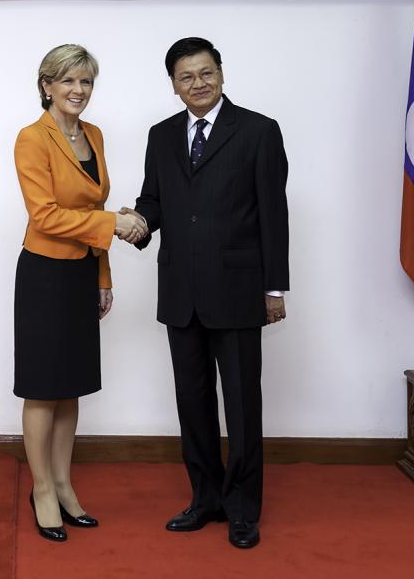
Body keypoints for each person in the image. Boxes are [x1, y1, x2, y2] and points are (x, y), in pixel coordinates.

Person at [127, 36, 289, 549]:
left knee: (242, 405)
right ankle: (205, 498)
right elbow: (154, 199)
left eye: (205, 73)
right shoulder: (161, 135)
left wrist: (274, 288)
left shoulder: (259, 131)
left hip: (239, 290)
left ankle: (242, 507)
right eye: (185, 77)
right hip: (180, 290)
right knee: (192, 403)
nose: (197, 84)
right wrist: (137, 222)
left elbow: (273, 214)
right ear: (173, 86)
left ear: (222, 73)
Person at [13, 44, 147, 543]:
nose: (78, 91)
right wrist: (115, 224)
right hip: (45, 273)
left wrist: (103, 277)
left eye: (86, 82)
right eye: (67, 81)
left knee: (71, 385)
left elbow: (96, 205)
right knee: (43, 386)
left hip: (81, 272)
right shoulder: (32, 139)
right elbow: (44, 215)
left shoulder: (94, 135)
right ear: (46, 84)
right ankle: (42, 489)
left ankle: (65, 485)